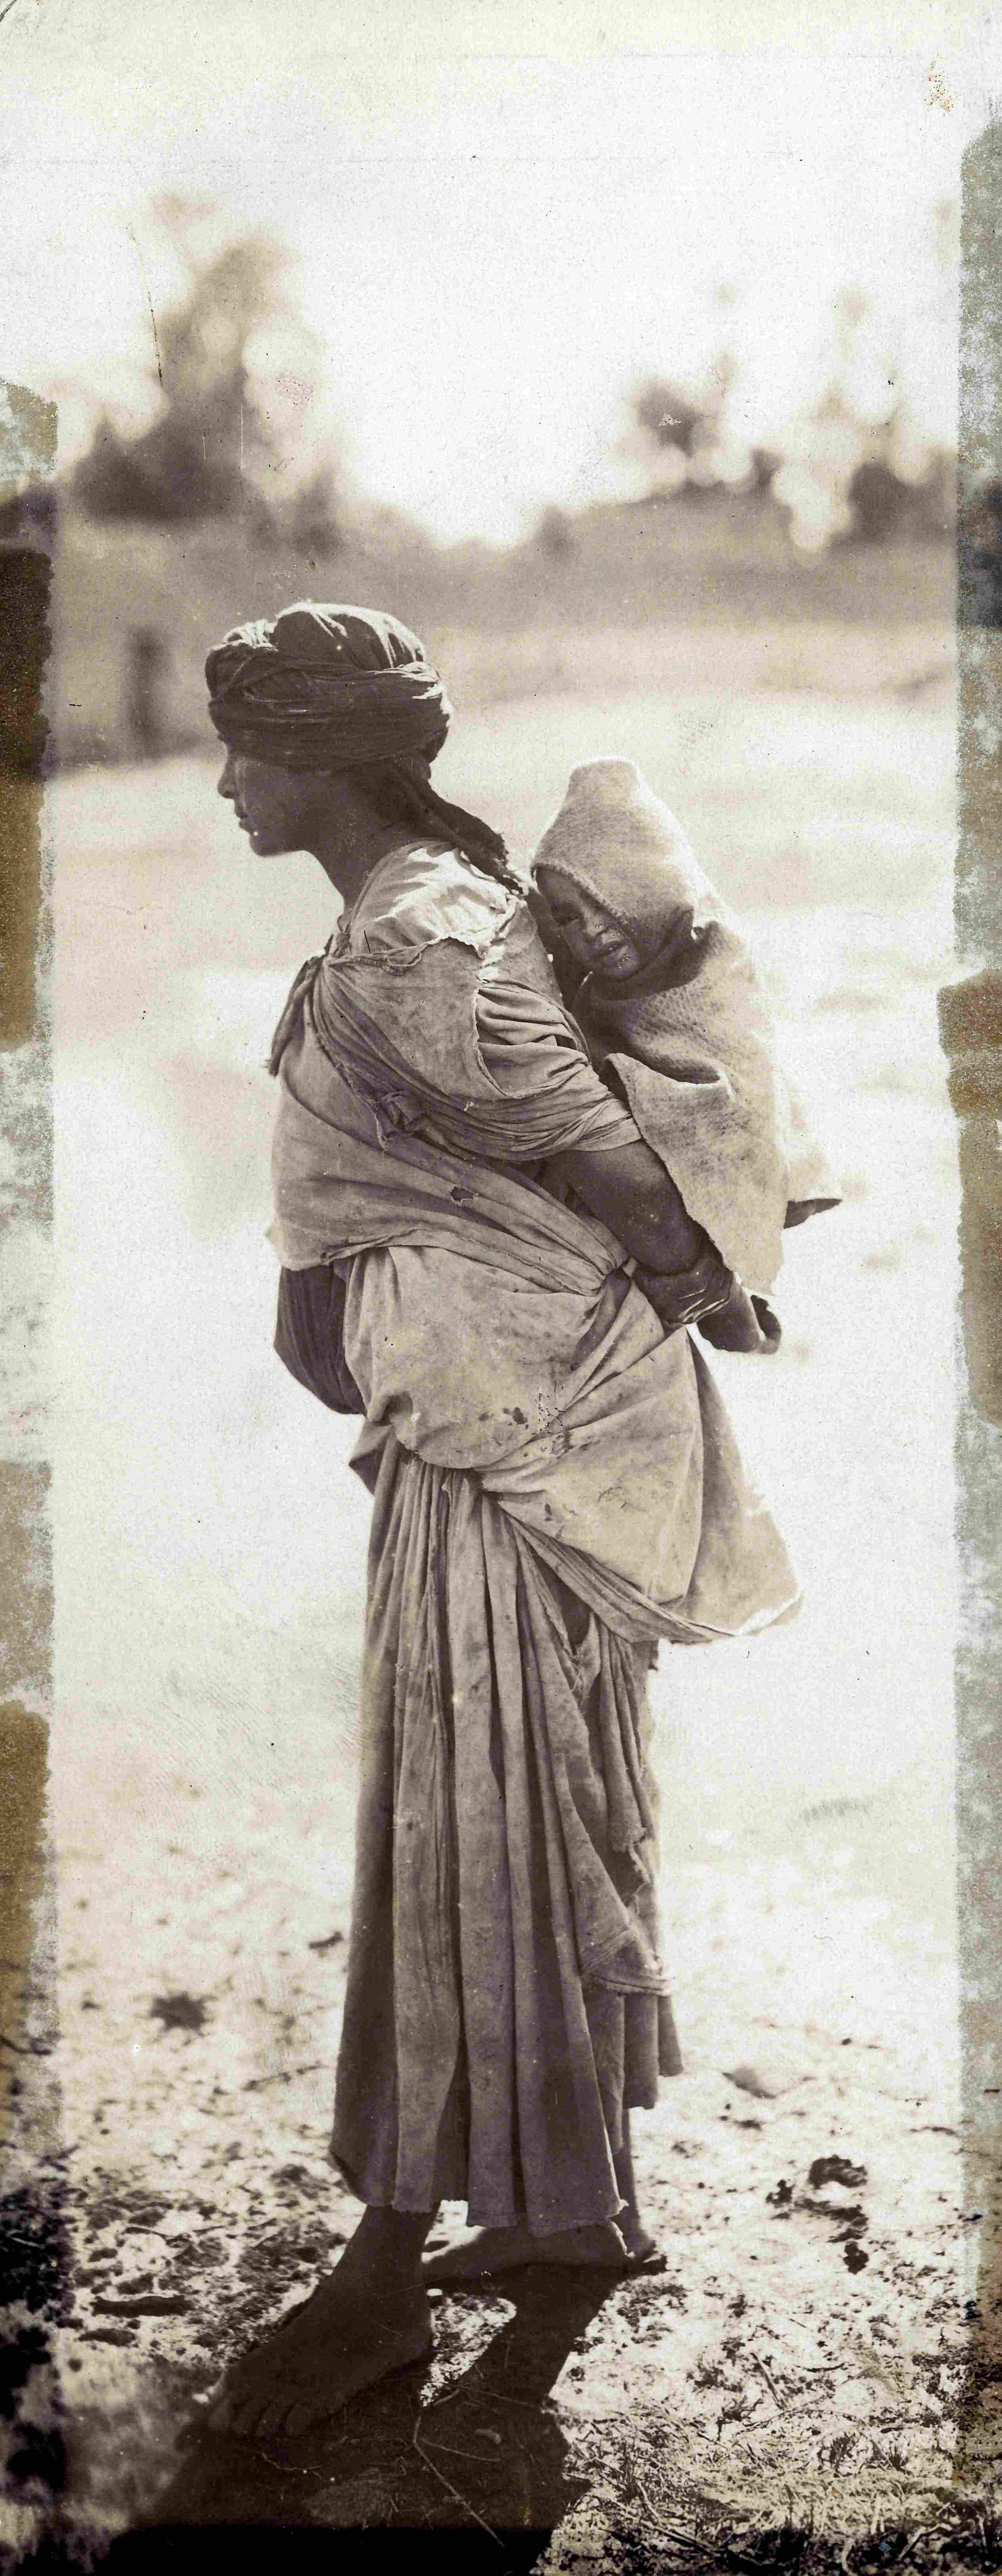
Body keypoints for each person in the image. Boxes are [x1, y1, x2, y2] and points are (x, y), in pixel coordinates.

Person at [200, 601, 801, 2445]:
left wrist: (542, 1311)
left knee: (478, 1826)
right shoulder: (408, 925)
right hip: (492, 1430)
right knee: (529, 1807)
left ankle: (385, 2270)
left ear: (327, 756)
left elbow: (646, 1196)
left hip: (519, 1441)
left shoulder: (416, 946)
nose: (228, 781)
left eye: (253, 748)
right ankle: (561, 2206)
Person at [530, 757, 840, 1331]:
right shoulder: (594, 990)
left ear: (651, 883)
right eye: (569, 918)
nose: (591, 930)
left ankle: (726, 1296)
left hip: (699, 1198)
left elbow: (730, 1086)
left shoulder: (711, 963)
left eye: (608, 899)